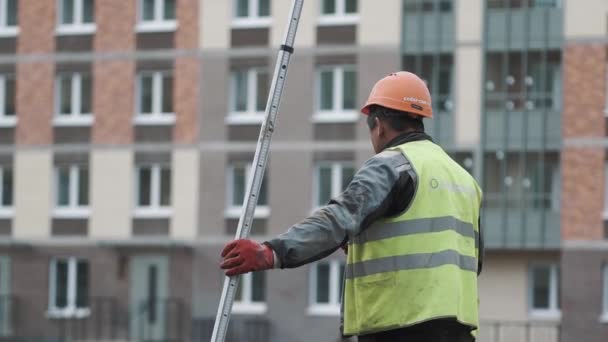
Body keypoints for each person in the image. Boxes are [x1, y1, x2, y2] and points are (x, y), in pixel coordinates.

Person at [219, 71, 483, 342]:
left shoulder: (391, 164)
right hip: (458, 329)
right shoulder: (465, 180)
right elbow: (467, 258)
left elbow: (337, 220)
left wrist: (270, 252)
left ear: (378, 125)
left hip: (399, 325)